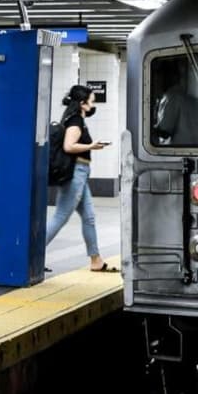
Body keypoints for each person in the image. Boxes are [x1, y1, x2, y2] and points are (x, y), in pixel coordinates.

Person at [46, 85, 116, 272]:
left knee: (89, 217)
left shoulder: (76, 120)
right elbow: (69, 146)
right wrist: (92, 146)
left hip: (81, 173)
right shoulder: (75, 121)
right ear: (83, 104)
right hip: (76, 173)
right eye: (92, 101)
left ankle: (96, 260)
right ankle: (32, 254)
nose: (93, 105)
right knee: (61, 216)